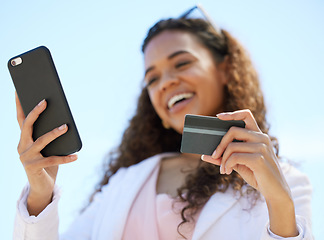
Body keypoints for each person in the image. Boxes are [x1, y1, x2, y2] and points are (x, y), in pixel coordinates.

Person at [13, 6, 312, 240]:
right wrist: (40, 194)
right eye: (152, 79)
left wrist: (279, 203)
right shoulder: (124, 185)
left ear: (226, 70)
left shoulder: (288, 183)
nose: (166, 83)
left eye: (182, 63)